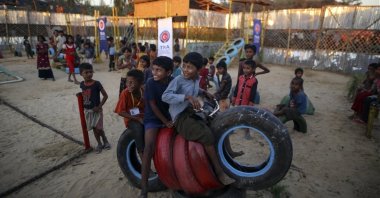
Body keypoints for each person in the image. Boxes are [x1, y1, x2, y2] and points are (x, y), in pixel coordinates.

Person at [162, 52, 235, 188]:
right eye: (184, 66)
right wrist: (187, 97)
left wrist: (203, 91)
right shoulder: (178, 80)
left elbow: (194, 88)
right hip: (180, 118)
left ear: (199, 69)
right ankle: (219, 172)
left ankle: (229, 153)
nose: (185, 70)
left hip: (190, 111)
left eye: (189, 67)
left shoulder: (196, 79)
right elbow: (165, 96)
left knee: (217, 120)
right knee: (207, 136)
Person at [140, 56, 174, 198]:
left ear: (169, 72)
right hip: (153, 118)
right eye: (153, 69)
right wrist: (165, 122)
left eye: (158, 70)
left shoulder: (173, 82)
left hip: (169, 116)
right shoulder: (150, 83)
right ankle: (144, 188)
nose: (154, 72)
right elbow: (153, 105)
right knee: (149, 149)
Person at [79, 63, 111, 153]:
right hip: (88, 111)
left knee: (99, 128)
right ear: (81, 74)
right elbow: (83, 96)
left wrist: (99, 106)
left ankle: (105, 140)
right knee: (93, 128)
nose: (89, 74)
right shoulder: (82, 84)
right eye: (86, 72)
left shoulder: (96, 83)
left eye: (90, 72)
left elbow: (105, 96)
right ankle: (99, 143)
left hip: (97, 111)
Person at [114, 69, 145, 159]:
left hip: (143, 116)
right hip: (131, 119)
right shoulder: (125, 93)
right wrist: (137, 119)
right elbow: (120, 112)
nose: (129, 85)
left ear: (140, 83)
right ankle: (141, 152)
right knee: (138, 129)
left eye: (132, 82)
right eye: (127, 82)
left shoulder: (143, 91)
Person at [231, 60, 258, 139]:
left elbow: (253, 93)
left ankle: (247, 133)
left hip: (247, 103)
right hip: (238, 101)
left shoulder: (254, 80)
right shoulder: (240, 78)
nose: (245, 70)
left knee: (246, 117)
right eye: (244, 68)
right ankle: (231, 130)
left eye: (248, 68)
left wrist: (251, 102)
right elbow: (237, 88)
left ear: (253, 69)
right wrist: (234, 97)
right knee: (236, 114)